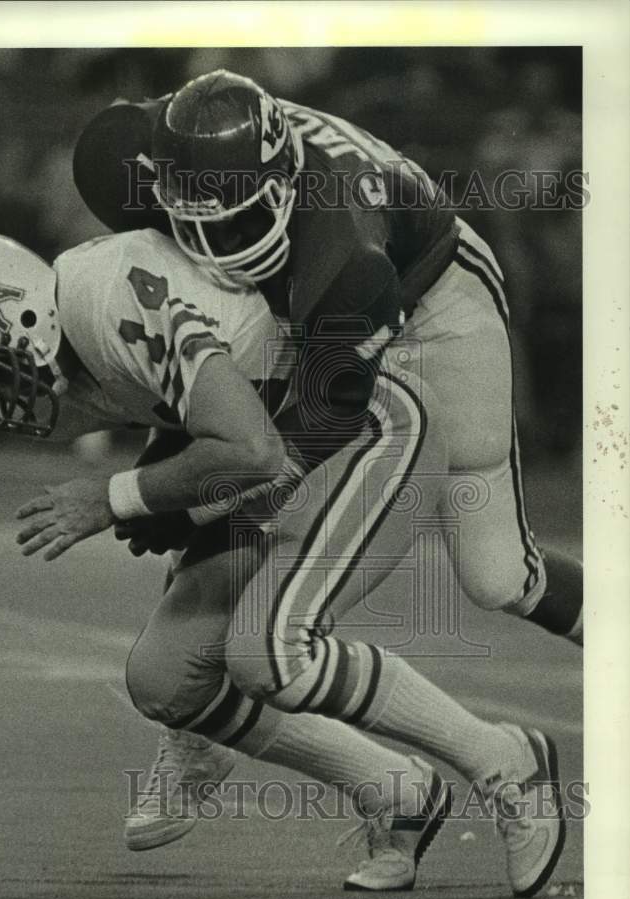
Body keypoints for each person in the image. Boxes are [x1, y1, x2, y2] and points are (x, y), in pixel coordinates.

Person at [0, 227, 565, 896]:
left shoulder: (109, 303)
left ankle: (503, 760)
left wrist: (118, 498)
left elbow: (248, 447)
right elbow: (206, 413)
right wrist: (165, 500)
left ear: (21, 312)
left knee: (269, 652)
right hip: (280, 451)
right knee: (166, 680)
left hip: (361, 425)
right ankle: (393, 790)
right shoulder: (80, 326)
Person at [71, 70, 583, 854]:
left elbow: (305, 431)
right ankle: (202, 724)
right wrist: (176, 456)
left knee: (494, 574)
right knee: (220, 528)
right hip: (290, 315)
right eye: (195, 222)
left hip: (429, 302)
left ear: (281, 184)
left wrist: (185, 492)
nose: (216, 248)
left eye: (239, 219)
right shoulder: (140, 153)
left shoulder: (344, 250)